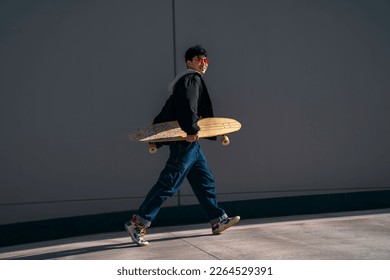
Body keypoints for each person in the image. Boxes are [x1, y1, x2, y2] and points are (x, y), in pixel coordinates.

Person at [125, 45, 240, 246]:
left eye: (206, 60)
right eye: (198, 59)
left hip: (189, 142)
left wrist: (156, 136)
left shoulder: (185, 81)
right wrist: (192, 130)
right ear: (189, 62)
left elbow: (167, 111)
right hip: (186, 141)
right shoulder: (191, 79)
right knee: (170, 181)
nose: (203, 63)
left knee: (204, 180)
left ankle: (217, 220)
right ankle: (138, 223)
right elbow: (188, 106)